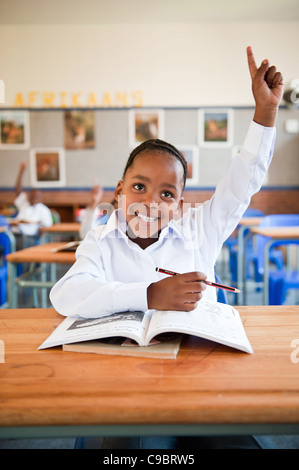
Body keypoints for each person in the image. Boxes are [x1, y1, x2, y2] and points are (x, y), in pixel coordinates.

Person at [50, 46, 283, 449]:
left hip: (198, 372)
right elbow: (66, 293)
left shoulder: (200, 230)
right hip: (122, 378)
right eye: (139, 186)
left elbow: (242, 182)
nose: (151, 202)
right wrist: (148, 295)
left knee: (228, 443)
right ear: (120, 191)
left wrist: (265, 115)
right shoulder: (101, 239)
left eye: (167, 193)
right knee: (119, 446)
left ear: (179, 204)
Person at [13, 161, 53, 248]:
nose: (34, 198)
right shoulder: (24, 202)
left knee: (24, 243)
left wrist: (41, 231)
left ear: (41, 199)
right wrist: (21, 171)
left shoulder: (43, 210)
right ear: (29, 196)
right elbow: (17, 189)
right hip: (16, 234)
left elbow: (47, 226)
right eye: (32, 196)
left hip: (31, 238)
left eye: (37, 197)